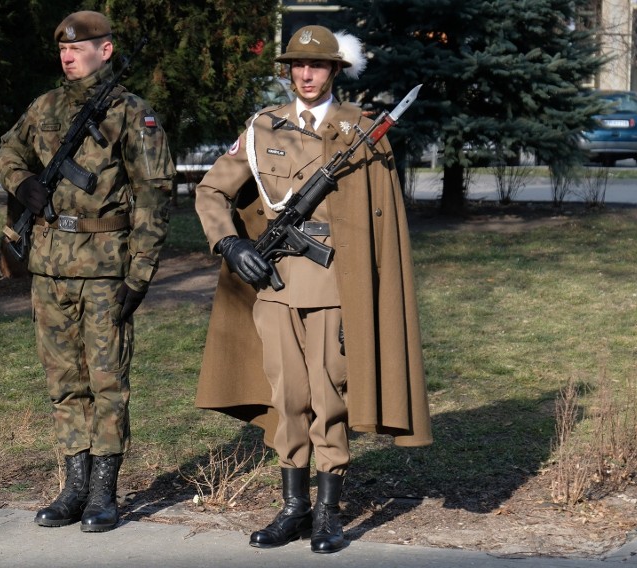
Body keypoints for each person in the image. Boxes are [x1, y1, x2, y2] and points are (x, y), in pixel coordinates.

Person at [194, 25, 432, 554]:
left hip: (333, 284)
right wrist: (230, 245)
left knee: (329, 398)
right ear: (288, 71)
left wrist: (367, 293)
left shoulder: (361, 131)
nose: (306, 75)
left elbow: (380, 220)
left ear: (334, 71)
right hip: (274, 286)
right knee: (288, 396)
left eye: (318, 66)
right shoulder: (263, 129)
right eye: (298, 67)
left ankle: (329, 510)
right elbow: (211, 189)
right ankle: (293, 506)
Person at [0, 11, 174, 533]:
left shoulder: (131, 113)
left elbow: (154, 196)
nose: (69, 56)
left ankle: (103, 494)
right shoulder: (44, 107)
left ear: (106, 50)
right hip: (49, 268)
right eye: (63, 50)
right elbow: (8, 149)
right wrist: (23, 182)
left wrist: (139, 275)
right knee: (64, 382)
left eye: (80, 48)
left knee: (107, 381)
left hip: (104, 270)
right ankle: (72, 488)